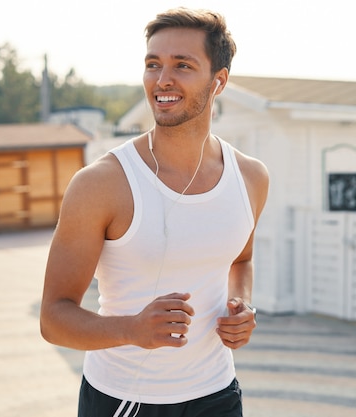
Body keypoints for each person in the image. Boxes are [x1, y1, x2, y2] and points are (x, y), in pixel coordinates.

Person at [40, 7, 269, 417]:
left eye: (182, 65)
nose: (162, 79)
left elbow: (243, 259)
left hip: (218, 392)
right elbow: (54, 318)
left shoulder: (251, 177)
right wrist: (132, 328)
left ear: (219, 81)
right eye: (153, 64)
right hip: (126, 399)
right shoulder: (101, 184)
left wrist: (242, 304)